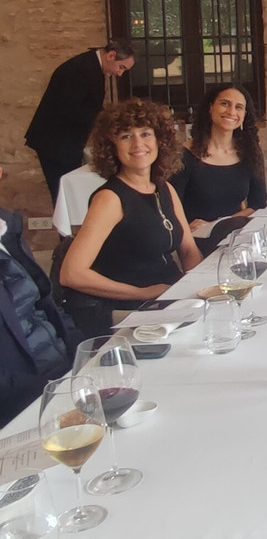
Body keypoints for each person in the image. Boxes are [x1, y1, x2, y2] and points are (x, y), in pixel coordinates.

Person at [59, 98, 201, 337]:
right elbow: (71, 274)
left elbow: (188, 250)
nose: (138, 143)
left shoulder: (165, 188)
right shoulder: (109, 199)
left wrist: (201, 288)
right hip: (128, 309)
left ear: (159, 140)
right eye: (126, 136)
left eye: (145, 134)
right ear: (111, 147)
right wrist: (144, 292)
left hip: (168, 297)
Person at [0, 166, 83, 428]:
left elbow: (46, 305)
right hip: (22, 407)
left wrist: (84, 353)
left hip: (63, 374)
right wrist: (49, 391)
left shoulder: (7, 229)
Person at [24, 38, 136, 202]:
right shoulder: (78, 70)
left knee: (69, 194)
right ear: (111, 55)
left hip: (65, 142)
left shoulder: (92, 66)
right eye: (121, 67)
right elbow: (72, 109)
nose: (120, 73)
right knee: (64, 195)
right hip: (56, 143)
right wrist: (108, 121)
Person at [171, 83, 267, 251]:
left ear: (244, 115)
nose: (231, 112)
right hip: (195, 242)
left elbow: (258, 204)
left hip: (236, 237)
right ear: (210, 108)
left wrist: (217, 224)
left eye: (238, 107)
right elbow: (171, 209)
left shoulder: (251, 153)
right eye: (225, 104)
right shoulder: (184, 156)